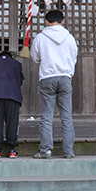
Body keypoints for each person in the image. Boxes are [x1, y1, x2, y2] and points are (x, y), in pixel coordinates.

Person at [31, 10, 78, 159]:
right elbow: (74, 57)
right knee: (66, 117)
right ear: (62, 21)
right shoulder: (69, 38)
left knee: (46, 116)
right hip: (65, 77)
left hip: (47, 77)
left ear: (46, 21)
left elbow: (35, 57)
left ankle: (45, 150)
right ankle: (69, 151)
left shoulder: (40, 38)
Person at [0, 50, 24, 158]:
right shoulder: (17, 64)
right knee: (12, 122)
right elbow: (20, 81)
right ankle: (12, 150)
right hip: (13, 96)